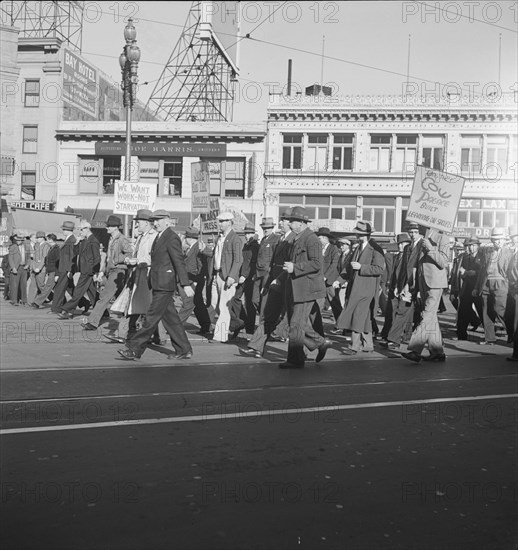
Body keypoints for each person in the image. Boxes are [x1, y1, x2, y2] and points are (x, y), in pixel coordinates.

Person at [118, 210, 194, 360]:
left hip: (165, 284)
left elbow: (179, 261)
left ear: (168, 221)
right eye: (154, 220)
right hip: (158, 282)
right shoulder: (160, 237)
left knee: (151, 318)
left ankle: (135, 349)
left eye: (159, 220)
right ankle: (184, 349)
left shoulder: (171, 237)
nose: (156, 223)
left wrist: (185, 284)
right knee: (171, 319)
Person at [277, 206, 331, 369]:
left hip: (306, 289)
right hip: (296, 287)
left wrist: (296, 267)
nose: (288, 223)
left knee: (296, 324)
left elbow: (316, 263)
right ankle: (321, 342)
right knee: (300, 324)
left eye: (291, 221)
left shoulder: (311, 239)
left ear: (300, 223)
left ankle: (295, 359)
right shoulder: (298, 238)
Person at [242, 209, 295, 358]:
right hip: (273, 281)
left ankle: (317, 342)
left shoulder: (291, 239)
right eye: (282, 220)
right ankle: (257, 346)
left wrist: (277, 278)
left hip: (284, 283)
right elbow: (272, 263)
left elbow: (290, 263)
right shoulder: (281, 239)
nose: (282, 223)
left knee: (298, 321)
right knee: (267, 314)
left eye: (284, 221)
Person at [401, 228, 450, 363]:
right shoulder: (422, 240)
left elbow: (444, 262)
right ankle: (437, 352)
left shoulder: (442, 238)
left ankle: (416, 350)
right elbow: (417, 265)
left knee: (426, 315)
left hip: (435, 283)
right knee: (431, 318)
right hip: (423, 283)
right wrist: (411, 285)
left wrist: (430, 248)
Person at [337, 221, 385, 354]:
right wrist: (339, 280)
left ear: (365, 235)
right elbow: (349, 268)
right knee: (364, 317)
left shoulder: (375, 248)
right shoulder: (358, 248)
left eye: (359, 234)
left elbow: (379, 269)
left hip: (366, 288)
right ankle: (368, 345)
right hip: (357, 287)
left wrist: (362, 267)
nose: (357, 236)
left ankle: (355, 346)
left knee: (357, 315)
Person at [81, 215, 132, 330]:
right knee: (123, 299)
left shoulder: (122, 239)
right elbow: (109, 258)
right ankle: (135, 323)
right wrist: (103, 271)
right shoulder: (111, 239)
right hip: (112, 270)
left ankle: (92, 322)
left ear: (115, 227)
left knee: (104, 296)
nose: (106, 228)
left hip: (119, 271)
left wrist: (117, 260)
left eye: (109, 226)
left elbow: (129, 253)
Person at [201, 211, 243, 343]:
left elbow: (238, 260)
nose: (219, 224)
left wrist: (232, 276)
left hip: (226, 277)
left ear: (230, 222)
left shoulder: (235, 238)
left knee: (224, 308)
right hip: (217, 275)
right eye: (220, 221)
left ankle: (220, 336)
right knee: (217, 306)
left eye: (222, 221)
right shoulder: (220, 238)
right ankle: (236, 323)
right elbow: (216, 256)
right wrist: (204, 250)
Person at [473, 226, 515, 345]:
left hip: (501, 282)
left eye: (498, 239)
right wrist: (477, 287)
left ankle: (512, 333)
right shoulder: (489, 252)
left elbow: (511, 271)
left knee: (500, 309)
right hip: (486, 283)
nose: (496, 242)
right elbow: (482, 271)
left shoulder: (509, 252)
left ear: (503, 239)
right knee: (486, 311)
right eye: (494, 239)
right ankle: (489, 338)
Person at [58, 220, 100, 319]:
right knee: (92, 293)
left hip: (89, 270)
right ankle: (103, 312)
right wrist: (77, 243)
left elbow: (97, 257)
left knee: (78, 291)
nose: (79, 232)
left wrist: (96, 271)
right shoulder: (84, 240)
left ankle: (68, 310)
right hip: (85, 270)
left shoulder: (93, 241)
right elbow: (77, 252)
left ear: (86, 229)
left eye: (81, 230)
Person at [379, 232, 411, 349]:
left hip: (405, 289)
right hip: (394, 288)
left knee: (402, 314)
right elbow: (393, 273)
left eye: (405, 243)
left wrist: (405, 287)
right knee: (392, 313)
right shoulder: (397, 257)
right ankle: (392, 337)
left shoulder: (410, 258)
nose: (402, 246)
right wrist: (390, 286)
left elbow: (409, 274)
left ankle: (397, 339)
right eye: (400, 244)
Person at [178, 225, 211, 335]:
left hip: (194, 280)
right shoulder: (193, 247)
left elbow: (201, 265)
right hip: (192, 279)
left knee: (188, 303)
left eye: (186, 237)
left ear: (189, 238)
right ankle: (206, 325)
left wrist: (196, 281)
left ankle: (176, 326)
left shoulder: (198, 248)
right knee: (198, 303)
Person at [229, 222, 259, 339]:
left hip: (249, 278)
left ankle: (250, 329)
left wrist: (245, 275)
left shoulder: (255, 246)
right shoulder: (246, 245)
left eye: (250, 233)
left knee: (249, 303)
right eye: (246, 233)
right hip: (242, 277)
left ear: (254, 234)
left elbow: (252, 263)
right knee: (235, 298)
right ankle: (241, 321)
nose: (247, 235)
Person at [454, 237, 483, 340]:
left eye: (472, 245)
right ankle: (461, 334)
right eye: (468, 246)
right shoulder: (465, 258)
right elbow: (461, 273)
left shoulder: (482, 257)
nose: (470, 248)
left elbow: (485, 271)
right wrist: (463, 273)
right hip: (467, 287)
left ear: (477, 246)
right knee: (463, 310)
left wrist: (474, 273)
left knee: (482, 310)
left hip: (479, 287)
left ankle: (491, 332)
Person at [253, 217, 280, 312]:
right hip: (258, 272)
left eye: (268, 228)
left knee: (265, 298)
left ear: (272, 228)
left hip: (267, 273)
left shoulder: (276, 239)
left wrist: (270, 271)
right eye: (264, 228)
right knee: (254, 299)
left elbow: (275, 258)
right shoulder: (263, 240)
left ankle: (264, 321)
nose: (265, 230)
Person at [50, 221, 77, 314]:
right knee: (71, 289)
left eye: (64, 229)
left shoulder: (72, 240)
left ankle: (56, 308)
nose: (63, 231)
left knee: (59, 288)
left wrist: (70, 270)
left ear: (68, 230)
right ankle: (84, 303)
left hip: (65, 269)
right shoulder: (69, 239)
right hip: (64, 268)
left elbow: (72, 256)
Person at [316, 227, 341, 323]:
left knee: (335, 304)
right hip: (320, 281)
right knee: (318, 303)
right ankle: (316, 324)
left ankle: (341, 325)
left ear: (325, 238)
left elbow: (334, 264)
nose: (318, 240)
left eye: (319, 238)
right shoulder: (318, 249)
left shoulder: (333, 248)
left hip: (330, 281)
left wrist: (325, 276)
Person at [31, 234, 60, 309]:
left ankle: (37, 302)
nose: (46, 241)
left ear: (50, 240)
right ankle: (83, 302)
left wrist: (57, 274)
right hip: (51, 271)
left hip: (54, 271)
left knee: (47, 287)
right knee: (65, 289)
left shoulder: (56, 249)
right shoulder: (52, 248)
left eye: (47, 239)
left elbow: (58, 262)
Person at [28, 231, 50, 305]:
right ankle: (31, 301)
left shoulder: (46, 245)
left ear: (42, 238)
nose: (36, 239)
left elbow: (44, 258)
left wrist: (39, 268)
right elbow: (35, 257)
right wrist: (33, 267)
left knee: (41, 285)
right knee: (34, 285)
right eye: (36, 237)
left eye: (38, 238)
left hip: (41, 269)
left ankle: (53, 296)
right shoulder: (37, 245)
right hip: (35, 267)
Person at [8, 233, 29, 305]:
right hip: (16, 267)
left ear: (22, 240)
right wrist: (13, 267)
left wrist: (28, 265)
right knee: (14, 285)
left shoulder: (26, 247)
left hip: (24, 268)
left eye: (19, 240)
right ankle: (14, 300)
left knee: (24, 285)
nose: (18, 241)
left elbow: (28, 257)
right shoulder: (13, 247)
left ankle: (24, 300)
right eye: (17, 240)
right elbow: (10, 258)